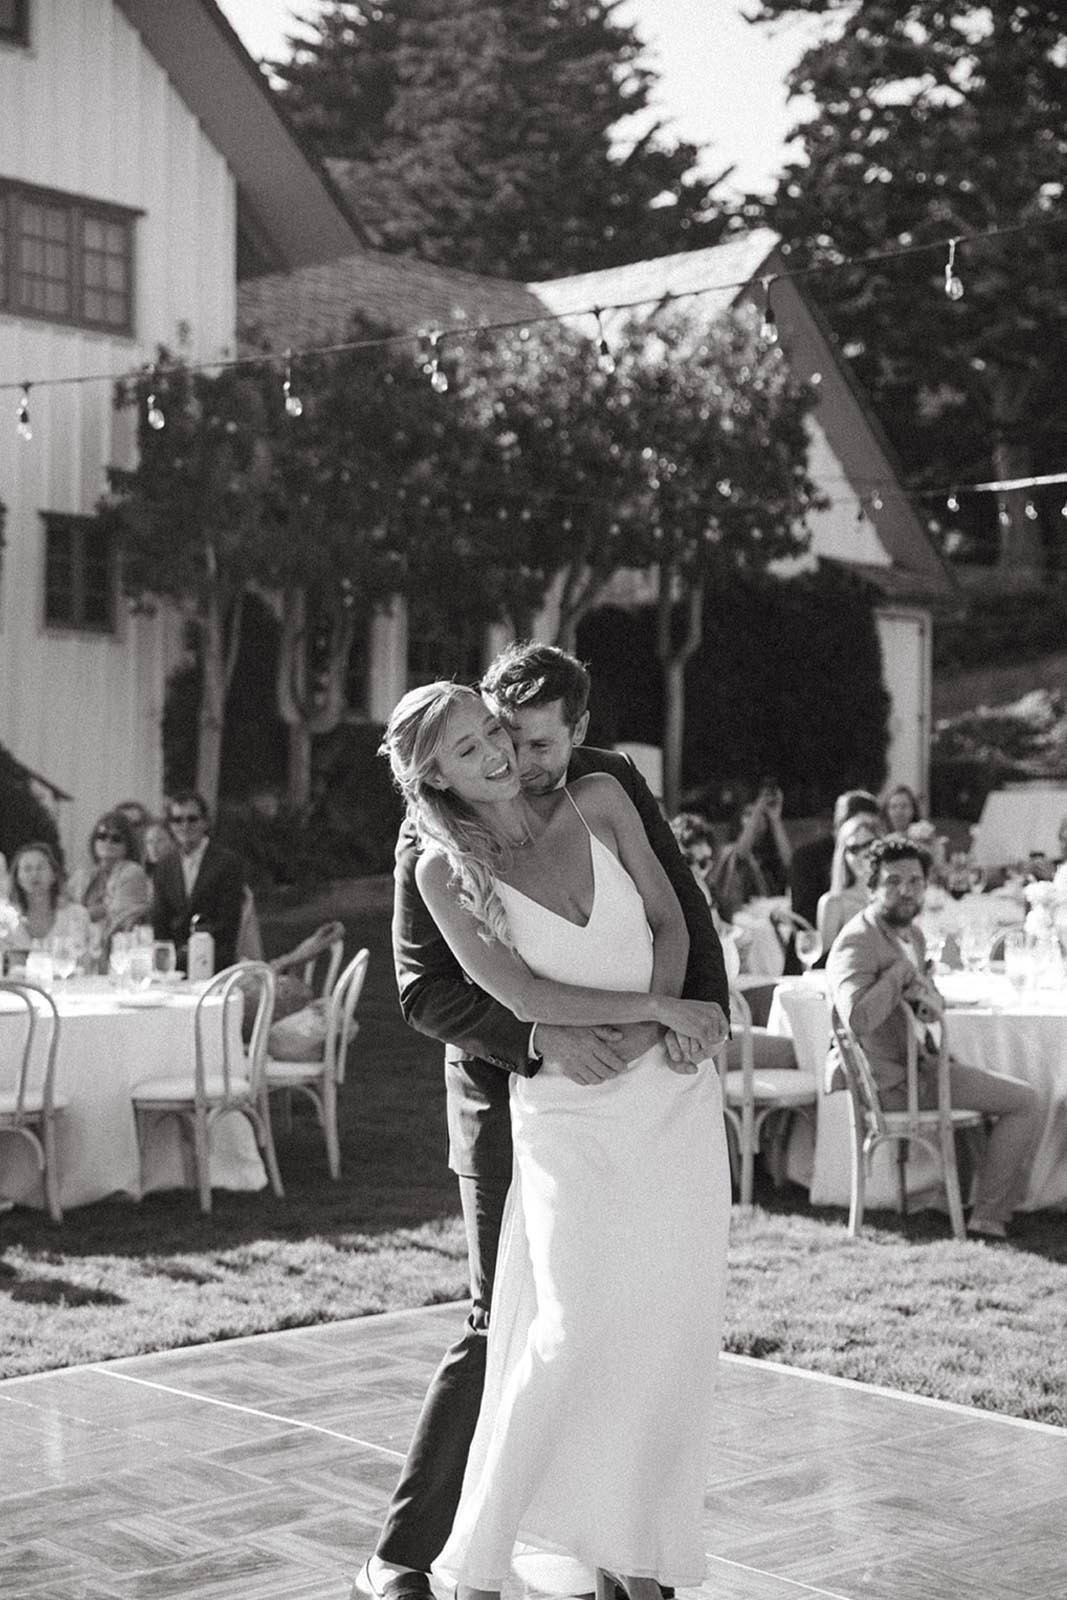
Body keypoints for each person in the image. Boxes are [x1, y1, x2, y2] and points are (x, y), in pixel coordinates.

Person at [357, 643, 730, 1600]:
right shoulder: (431, 853)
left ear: (577, 736)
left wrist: (691, 1018)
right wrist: (542, 1043)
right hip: (511, 1093)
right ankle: (415, 1554)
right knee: (515, 1321)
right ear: (436, 765)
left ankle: (626, 1553)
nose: (516, 760)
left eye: (530, 743)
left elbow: (676, 911)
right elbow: (425, 994)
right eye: (494, 739)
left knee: (652, 1321)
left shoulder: (604, 787)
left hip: (657, 1085)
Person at [826, 835, 1045, 1240]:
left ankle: (957, 1203)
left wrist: (927, 997)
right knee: (1025, 1102)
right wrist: (898, 977)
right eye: (892, 882)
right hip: (891, 1083)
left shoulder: (912, 935)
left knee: (995, 1091)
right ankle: (988, 1217)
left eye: (915, 881)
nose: (905, 891)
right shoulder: (857, 941)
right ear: (871, 888)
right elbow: (855, 1018)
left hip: (919, 1063)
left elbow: (922, 998)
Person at [150, 791, 246, 971]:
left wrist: (192, 950)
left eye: (192, 819)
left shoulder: (227, 863)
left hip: (214, 961)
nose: (185, 825)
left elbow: (228, 922)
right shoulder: (164, 867)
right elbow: (160, 923)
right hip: (173, 966)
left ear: (205, 822)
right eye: (177, 820)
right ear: (170, 826)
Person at [788, 788, 882, 929]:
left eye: (872, 829)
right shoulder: (806, 857)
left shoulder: (879, 857)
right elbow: (804, 920)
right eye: (860, 825)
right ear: (841, 824)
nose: (864, 851)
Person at [70, 809, 151, 953]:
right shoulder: (84, 875)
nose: (108, 842)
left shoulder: (132, 872)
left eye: (116, 838)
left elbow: (119, 919)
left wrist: (83, 915)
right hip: (84, 950)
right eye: (102, 836)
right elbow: (67, 914)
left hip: (119, 951)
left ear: (128, 844)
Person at [712, 778, 792, 919]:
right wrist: (759, 806)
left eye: (761, 815)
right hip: (742, 917)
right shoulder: (730, 851)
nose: (756, 818)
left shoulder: (770, 852)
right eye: (749, 814)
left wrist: (775, 819)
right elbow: (741, 854)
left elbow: (790, 864)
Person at [5, 840, 91, 955]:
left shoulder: (77, 915)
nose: (34, 874)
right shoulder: (5, 919)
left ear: (54, 875)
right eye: (27, 869)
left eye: (40, 867)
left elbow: (85, 962)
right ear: (18, 878)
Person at [816, 812, 884, 953]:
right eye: (853, 849)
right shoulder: (833, 902)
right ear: (843, 854)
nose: (861, 855)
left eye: (868, 845)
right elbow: (822, 962)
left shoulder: (892, 898)